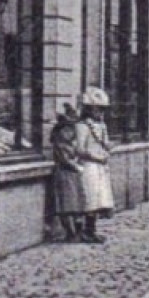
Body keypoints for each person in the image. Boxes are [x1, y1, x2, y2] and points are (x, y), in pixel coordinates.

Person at [64, 88, 117, 243]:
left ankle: (92, 230)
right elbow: (79, 149)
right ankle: (86, 231)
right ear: (88, 109)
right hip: (89, 166)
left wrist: (109, 147)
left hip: (101, 166)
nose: (100, 113)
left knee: (100, 199)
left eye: (102, 109)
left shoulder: (101, 126)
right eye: (97, 109)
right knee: (90, 199)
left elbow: (105, 143)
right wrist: (95, 157)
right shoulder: (82, 126)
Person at [49, 103, 83, 242]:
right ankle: (70, 233)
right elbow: (64, 159)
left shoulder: (71, 142)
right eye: (68, 128)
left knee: (76, 204)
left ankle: (77, 231)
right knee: (66, 204)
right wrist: (76, 165)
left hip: (73, 175)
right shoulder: (60, 142)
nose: (71, 132)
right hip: (65, 174)